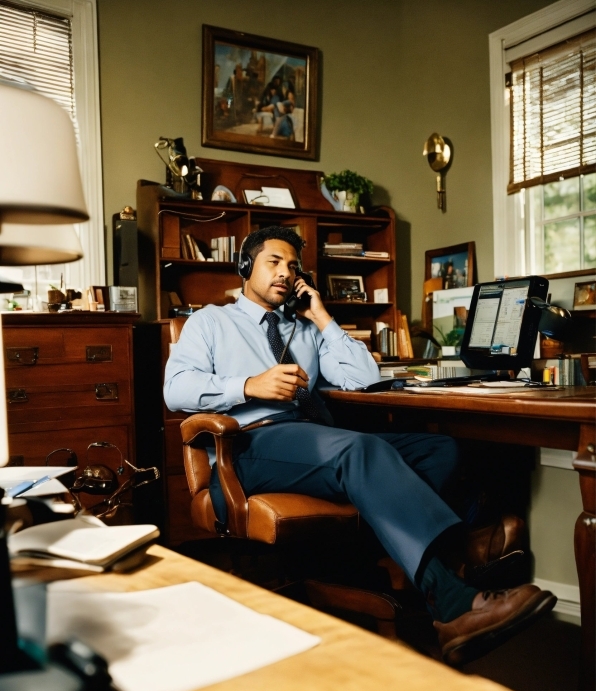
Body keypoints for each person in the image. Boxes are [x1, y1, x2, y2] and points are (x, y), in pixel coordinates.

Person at [164, 226, 556, 666]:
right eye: (273, 262)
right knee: (359, 450)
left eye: (291, 266)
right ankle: (453, 602)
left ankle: (409, 556)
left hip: (311, 441)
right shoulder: (210, 322)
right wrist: (250, 384)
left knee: (440, 450)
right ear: (245, 267)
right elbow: (176, 390)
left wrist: (321, 317)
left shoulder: (305, 330)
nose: (283, 272)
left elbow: (364, 379)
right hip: (251, 446)